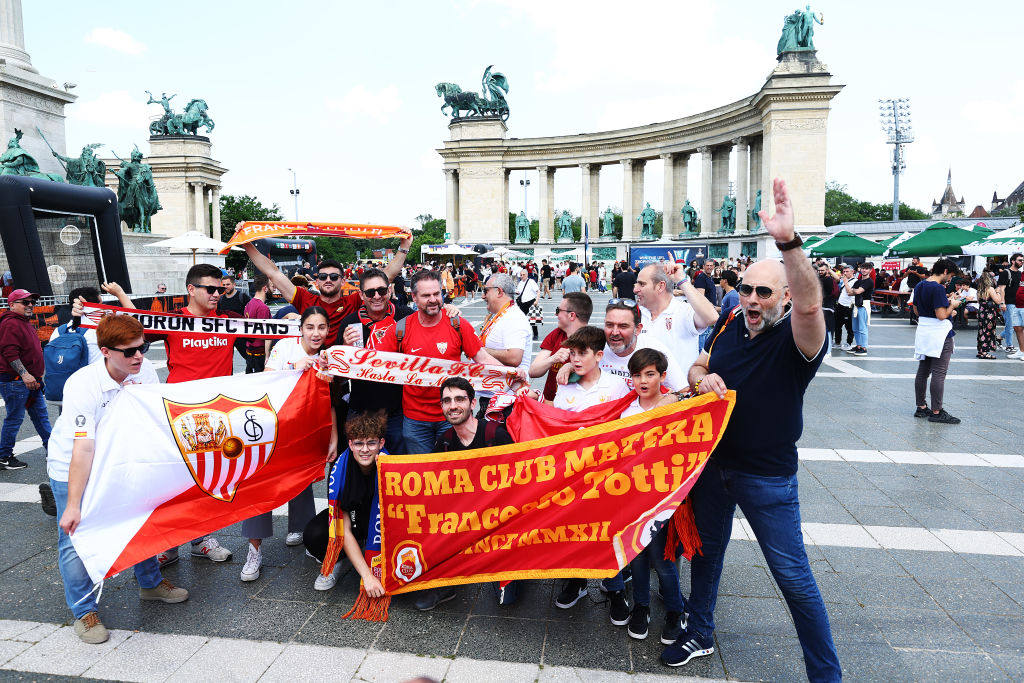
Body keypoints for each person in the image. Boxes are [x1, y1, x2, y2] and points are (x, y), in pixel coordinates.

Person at [663, 179, 840, 681]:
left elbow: (810, 306)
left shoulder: (796, 338)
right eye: (746, 289)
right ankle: (700, 631)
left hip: (766, 476)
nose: (753, 299)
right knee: (707, 555)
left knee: (793, 577)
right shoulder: (726, 324)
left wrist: (788, 244)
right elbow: (698, 367)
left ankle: (826, 675)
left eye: (765, 291)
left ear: (783, 297)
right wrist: (702, 379)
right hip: (714, 464)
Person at [48, 315, 189, 644]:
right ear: (106, 352)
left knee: (140, 522)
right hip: (73, 464)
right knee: (73, 536)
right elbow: (83, 447)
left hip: (123, 461)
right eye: (129, 352)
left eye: (143, 347)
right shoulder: (83, 384)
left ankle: (150, 583)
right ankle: (84, 612)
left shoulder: (146, 372)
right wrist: (72, 504)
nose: (139, 356)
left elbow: (156, 420)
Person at [239, 307, 334, 582]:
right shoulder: (285, 347)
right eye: (310, 327)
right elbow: (266, 378)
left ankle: (302, 531)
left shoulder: (328, 358)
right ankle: (254, 550)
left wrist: (332, 439)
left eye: (322, 327)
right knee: (261, 487)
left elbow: (331, 404)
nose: (316, 333)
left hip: (305, 432)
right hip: (273, 429)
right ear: (301, 328)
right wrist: (296, 368)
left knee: (302, 482)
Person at [413, 377, 517, 610]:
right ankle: (444, 583)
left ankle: (518, 569)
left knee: (507, 599)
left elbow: (520, 481)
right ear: (441, 407)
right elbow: (426, 483)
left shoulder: (495, 435)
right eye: (447, 401)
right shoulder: (445, 442)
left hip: (499, 522)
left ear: (472, 404)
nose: (453, 406)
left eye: (460, 399)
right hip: (462, 521)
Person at [618, 348, 685, 644]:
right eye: (637, 375)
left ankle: (675, 610)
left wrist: (676, 398)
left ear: (662, 376)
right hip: (631, 497)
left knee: (661, 557)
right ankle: (642, 607)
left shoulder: (674, 405)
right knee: (637, 555)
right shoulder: (626, 410)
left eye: (650, 374)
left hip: (663, 497)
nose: (643, 381)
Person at [243, 231, 413, 344]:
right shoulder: (306, 299)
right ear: (316, 281)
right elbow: (273, 273)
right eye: (323, 277)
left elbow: (386, 276)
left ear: (343, 280)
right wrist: (247, 245)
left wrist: (404, 247)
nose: (328, 280)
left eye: (334, 277)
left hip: (343, 373)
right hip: (314, 369)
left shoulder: (354, 301)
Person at [400, 270, 502, 454]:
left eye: (436, 294)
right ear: (414, 297)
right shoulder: (401, 329)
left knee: (455, 474)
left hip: (453, 415)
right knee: (424, 475)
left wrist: (512, 375)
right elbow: (372, 362)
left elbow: (483, 358)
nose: (433, 299)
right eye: (426, 295)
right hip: (415, 420)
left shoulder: (458, 324)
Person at [302, 411, 386, 592]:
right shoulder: (341, 470)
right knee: (313, 534)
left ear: (381, 443)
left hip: (382, 524)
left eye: (371, 443)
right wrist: (367, 576)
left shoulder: (392, 467)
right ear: (350, 444)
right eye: (358, 443)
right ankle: (340, 559)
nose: (365, 449)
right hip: (354, 520)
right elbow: (343, 529)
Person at [340, 268, 414, 454]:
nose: (377, 296)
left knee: (399, 468)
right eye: (370, 292)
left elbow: (432, 321)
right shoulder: (349, 323)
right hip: (361, 409)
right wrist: (344, 347)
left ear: (389, 290)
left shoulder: (405, 316)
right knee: (362, 466)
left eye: (381, 291)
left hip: (397, 410)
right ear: (361, 295)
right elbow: (337, 371)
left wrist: (449, 310)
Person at [633, 264, 718, 375]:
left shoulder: (684, 311)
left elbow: (712, 317)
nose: (635, 289)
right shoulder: (636, 313)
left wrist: (681, 280)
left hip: (680, 391)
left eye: (642, 284)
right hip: (642, 390)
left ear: (660, 286)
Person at [0, 289, 50, 470]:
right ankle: (4, 457)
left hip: (30, 380)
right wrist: (24, 374)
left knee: (41, 417)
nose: (30, 305)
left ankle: (52, 450)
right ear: (11, 304)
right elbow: (10, 352)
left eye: (32, 302)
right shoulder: (11, 324)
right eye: (25, 302)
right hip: (17, 381)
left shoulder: (22, 322)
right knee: (14, 419)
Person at [912, 259, 963, 425]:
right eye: (950, 277)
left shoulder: (920, 285)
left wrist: (944, 304)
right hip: (940, 333)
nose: (949, 280)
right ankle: (937, 411)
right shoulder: (938, 288)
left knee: (923, 370)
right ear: (946, 271)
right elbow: (941, 315)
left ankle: (921, 407)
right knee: (939, 372)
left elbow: (916, 309)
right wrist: (952, 306)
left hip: (924, 330)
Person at [478, 273, 533, 414]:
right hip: (494, 395)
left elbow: (514, 357)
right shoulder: (501, 314)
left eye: (486, 291)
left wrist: (479, 350)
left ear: (499, 291)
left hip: (506, 400)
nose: (483, 297)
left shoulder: (514, 317)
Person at [530, 292, 591, 402]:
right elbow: (533, 371)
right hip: (549, 404)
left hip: (576, 408)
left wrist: (571, 366)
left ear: (571, 315)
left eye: (558, 310)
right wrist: (553, 358)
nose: (555, 314)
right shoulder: (557, 334)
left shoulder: (593, 341)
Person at [842, 262, 874, 356]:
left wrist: (854, 290)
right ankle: (859, 346)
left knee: (863, 328)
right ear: (860, 269)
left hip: (864, 306)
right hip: (856, 305)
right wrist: (846, 283)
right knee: (855, 328)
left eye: (866, 268)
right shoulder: (858, 281)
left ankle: (864, 348)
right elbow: (849, 292)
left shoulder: (869, 281)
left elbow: (857, 291)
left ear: (870, 270)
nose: (864, 270)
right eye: (863, 268)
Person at [243, 274, 272, 373]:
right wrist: (267, 355)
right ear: (265, 288)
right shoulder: (262, 308)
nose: (273, 289)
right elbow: (266, 334)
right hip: (259, 352)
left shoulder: (249, 304)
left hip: (250, 350)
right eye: (271, 286)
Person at [998, 253, 1024, 356]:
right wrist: (1002, 302)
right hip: (1009, 303)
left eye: (1022, 261)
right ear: (1013, 261)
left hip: (1019, 303)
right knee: (1010, 325)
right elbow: (1001, 289)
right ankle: (1009, 346)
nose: (1022, 262)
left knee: (1017, 325)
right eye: (1020, 260)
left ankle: (999, 337)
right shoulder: (1006, 272)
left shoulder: (1021, 274)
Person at [692, 260, 719, 348]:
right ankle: (701, 361)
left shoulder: (709, 278)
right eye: (707, 265)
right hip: (704, 315)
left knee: (707, 343)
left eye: (711, 265)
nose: (709, 267)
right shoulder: (701, 278)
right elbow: (700, 298)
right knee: (702, 344)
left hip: (710, 314)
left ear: (714, 267)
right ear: (703, 266)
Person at [976, 271, 1002, 360]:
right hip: (989, 313)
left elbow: (979, 301)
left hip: (982, 311)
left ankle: (980, 351)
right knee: (987, 331)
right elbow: (998, 301)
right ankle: (984, 352)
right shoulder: (990, 289)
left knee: (981, 331)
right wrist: (998, 292)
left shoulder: (980, 289)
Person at [834, 264, 856, 349]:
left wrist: (845, 282)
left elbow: (849, 292)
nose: (845, 273)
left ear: (852, 271)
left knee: (849, 326)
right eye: (844, 272)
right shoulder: (844, 280)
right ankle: (837, 342)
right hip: (840, 305)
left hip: (848, 307)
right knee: (837, 325)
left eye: (847, 271)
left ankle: (848, 343)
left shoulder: (855, 281)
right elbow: (836, 278)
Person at [515, 268, 540, 340]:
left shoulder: (531, 281)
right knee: (521, 319)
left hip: (531, 302)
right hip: (522, 303)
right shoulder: (520, 283)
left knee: (533, 319)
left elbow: (538, 291)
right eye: (521, 275)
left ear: (527, 275)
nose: (522, 276)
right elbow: (519, 292)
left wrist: (537, 300)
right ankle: (523, 333)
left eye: (523, 275)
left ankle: (535, 334)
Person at [816, 263, 839, 339]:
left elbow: (838, 279)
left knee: (827, 329)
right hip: (827, 307)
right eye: (819, 270)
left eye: (822, 270)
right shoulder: (826, 279)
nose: (820, 272)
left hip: (826, 307)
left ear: (827, 271)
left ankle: (827, 347)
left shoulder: (827, 279)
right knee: (826, 329)